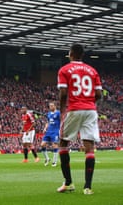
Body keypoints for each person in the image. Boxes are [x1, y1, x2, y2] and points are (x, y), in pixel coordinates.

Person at [56, 44, 102, 195]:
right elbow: (99, 94)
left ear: (70, 54)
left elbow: (63, 93)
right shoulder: (93, 70)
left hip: (74, 108)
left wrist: (63, 110)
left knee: (63, 142)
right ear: (82, 55)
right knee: (89, 146)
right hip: (90, 110)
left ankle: (68, 183)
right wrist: (89, 103)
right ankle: (88, 187)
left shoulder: (64, 70)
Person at [40, 102, 61, 167]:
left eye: (52, 106)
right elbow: (48, 122)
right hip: (48, 131)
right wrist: (45, 128)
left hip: (55, 131)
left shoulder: (58, 113)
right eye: (49, 106)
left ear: (55, 106)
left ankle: (54, 161)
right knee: (42, 144)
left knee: (54, 145)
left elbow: (62, 121)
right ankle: (47, 159)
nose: (50, 107)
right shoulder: (48, 114)